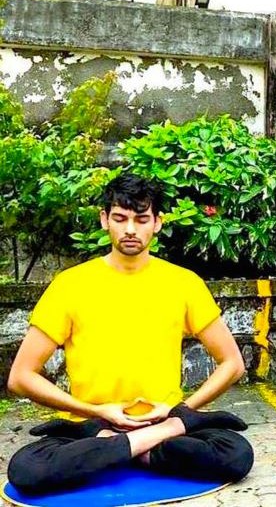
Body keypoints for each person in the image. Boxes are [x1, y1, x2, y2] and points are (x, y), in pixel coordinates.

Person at [6, 174, 254, 493]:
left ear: (158, 223)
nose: (131, 229)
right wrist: (95, 412)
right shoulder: (69, 285)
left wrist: (179, 413)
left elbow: (232, 363)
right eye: (120, 219)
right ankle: (143, 448)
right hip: (90, 428)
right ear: (104, 220)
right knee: (27, 468)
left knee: (236, 453)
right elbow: (21, 377)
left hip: (164, 421)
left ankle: (125, 449)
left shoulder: (184, 283)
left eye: (141, 218)